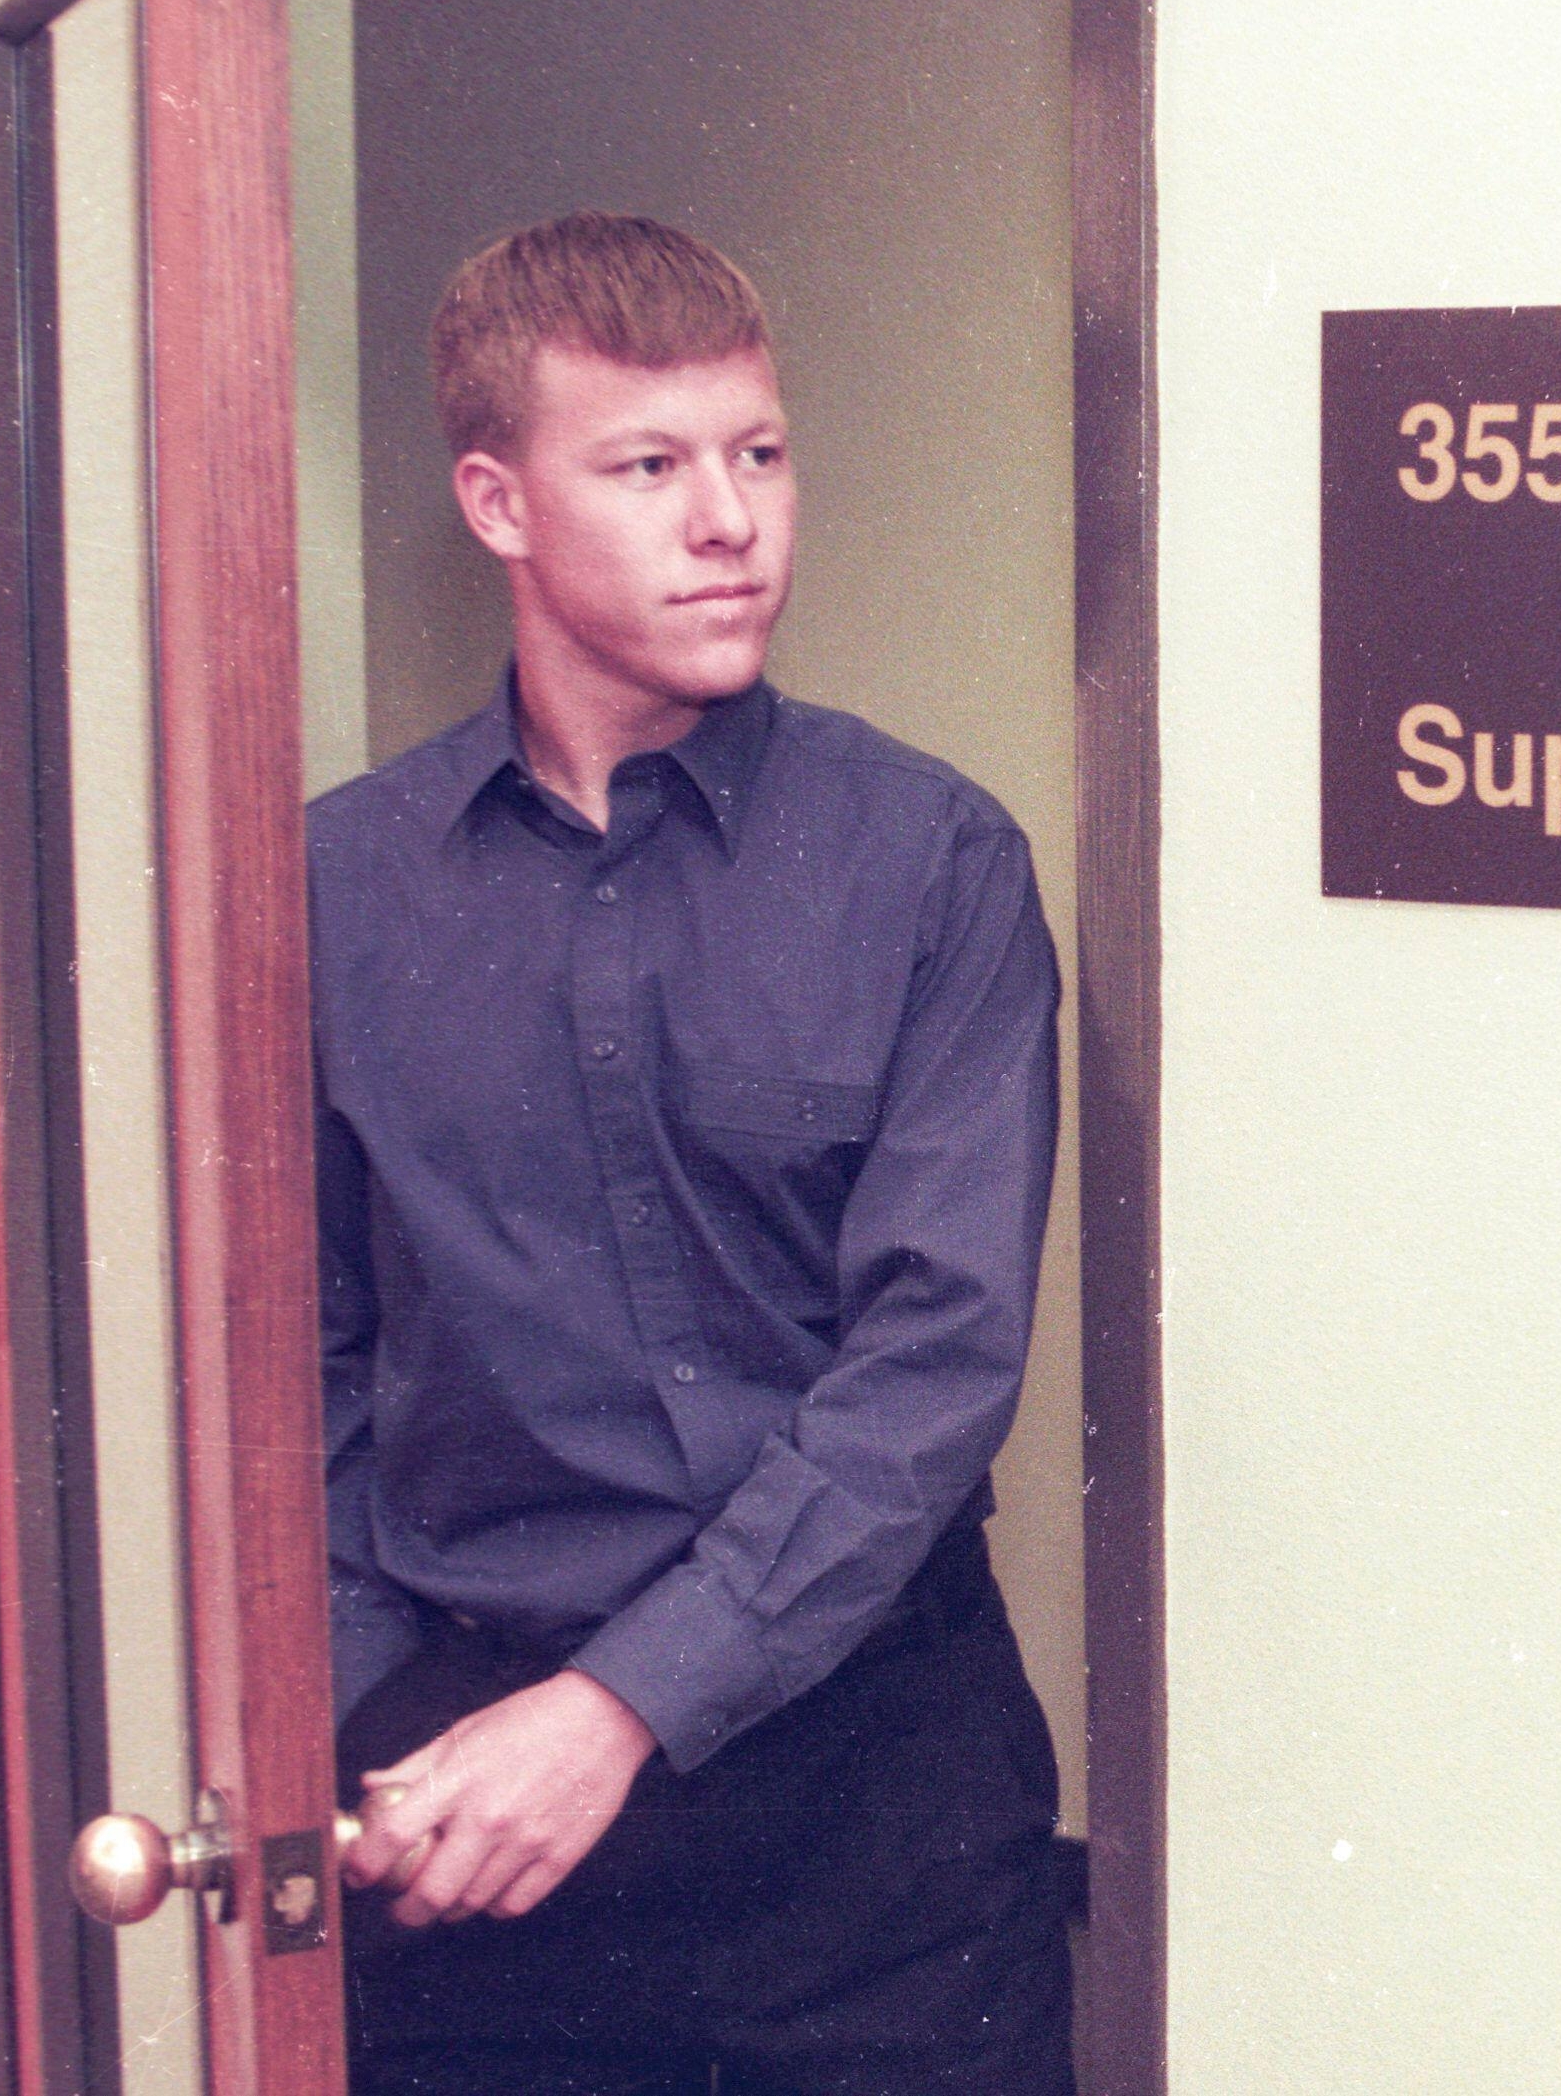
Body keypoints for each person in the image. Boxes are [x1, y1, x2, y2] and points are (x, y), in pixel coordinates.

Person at [308, 211, 1073, 2094]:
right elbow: (293, 1349)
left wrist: (618, 1705)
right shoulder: (332, 886)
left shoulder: (932, 861)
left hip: (868, 1805)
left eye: (757, 452)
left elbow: (933, 1365)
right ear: (496, 502)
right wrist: (355, 1707)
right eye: (648, 466)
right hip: (474, 1810)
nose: (728, 519)